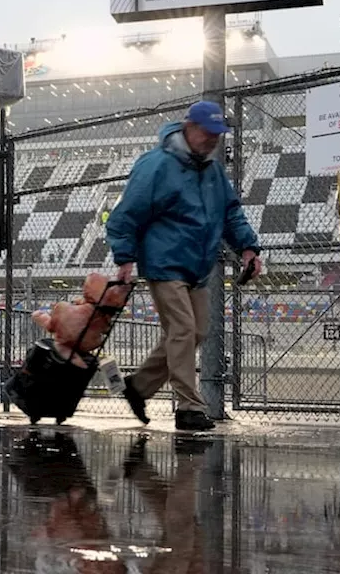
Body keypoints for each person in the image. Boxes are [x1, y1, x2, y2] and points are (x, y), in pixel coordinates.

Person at [105, 100, 261, 432]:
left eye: (219, 135)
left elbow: (231, 212)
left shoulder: (212, 170)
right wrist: (125, 258)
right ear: (188, 127)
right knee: (183, 330)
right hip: (164, 262)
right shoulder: (157, 165)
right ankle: (189, 408)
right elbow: (126, 214)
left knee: (197, 331)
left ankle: (138, 388)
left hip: (197, 266)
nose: (214, 141)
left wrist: (248, 248)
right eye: (209, 133)